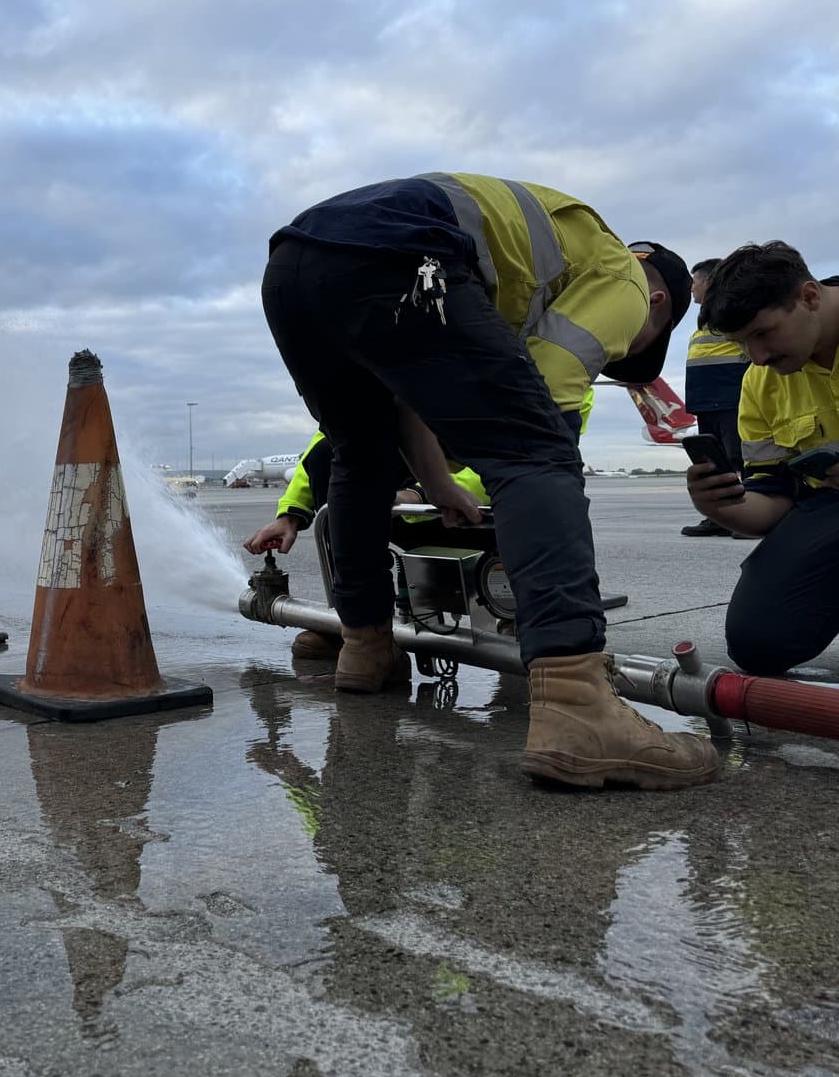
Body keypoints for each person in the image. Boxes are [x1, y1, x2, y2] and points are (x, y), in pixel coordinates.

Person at [250, 172, 716, 790]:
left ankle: (364, 646)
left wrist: (437, 482)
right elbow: (542, 403)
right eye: (630, 348)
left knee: (359, 452)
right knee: (537, 442)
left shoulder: (519, 272)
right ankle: (577, 706)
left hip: (292, 270)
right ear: (658, 306)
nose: (615, 351)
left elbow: (407, 397)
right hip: (401, 252)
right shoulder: (626, 279)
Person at [260, 388, 595, 658]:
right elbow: (329, 444)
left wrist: (419, 493)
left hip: (473, 514)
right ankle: (355, 624)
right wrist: (291, 512)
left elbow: (527, 460)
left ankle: (522, 615)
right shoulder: (436, 340)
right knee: (335, 450)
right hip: (402, 504)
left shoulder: (552, 373)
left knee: (533, 499)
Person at [689, 242, 839, 675]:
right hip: (829, 509)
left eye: (763, 333)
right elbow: (771, 500)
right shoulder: (761, 381)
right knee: (759, 640)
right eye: (741, 344)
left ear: (809, 297)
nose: (757, 357)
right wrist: (720, 504)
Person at [680, 257, 751, 537]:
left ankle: (748, 516)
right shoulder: (705, 322)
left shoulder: (733, 314)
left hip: (731, 397)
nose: (691, 288)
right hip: (707, 399)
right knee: (713, 459)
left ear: (709, 282)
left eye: (694, 281)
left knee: (741, 456)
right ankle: (721, 517)